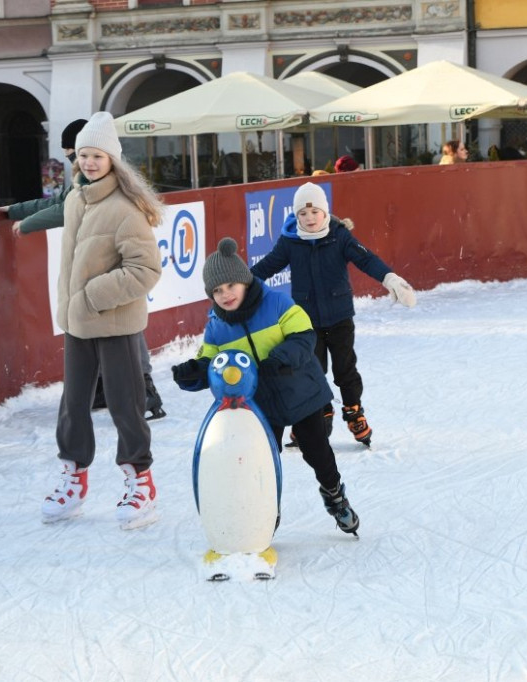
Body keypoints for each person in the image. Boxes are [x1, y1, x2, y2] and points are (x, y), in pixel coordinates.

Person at [171, 238, 360, 536]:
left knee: (317, 452)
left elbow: (303, 334)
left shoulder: (276, 303)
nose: (225, 295)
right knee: (260, 461)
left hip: (302, 394)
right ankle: (265, 509)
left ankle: (334, 494)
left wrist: (281, 358)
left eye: (230, 285)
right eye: (217, 291)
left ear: (245, 281)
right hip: (259, 406)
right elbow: (212, 363)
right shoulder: (217, 326)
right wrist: (193, 373)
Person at [0, 118, 166, 420]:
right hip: (89, 276)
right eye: (79, 156)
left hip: (107, 273)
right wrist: (16, 210)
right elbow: (64, 202)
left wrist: (27, 221)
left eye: (84, 154)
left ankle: (145, 390)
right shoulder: (80, 182)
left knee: (125, 327)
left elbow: (60, 209)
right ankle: (108, 390)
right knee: (101, 333)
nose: (83, 162)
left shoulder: (112, 190)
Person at [40, 111, 163, 530]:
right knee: (73, 405)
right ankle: (74, 477)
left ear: (113, 159)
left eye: (98, 156)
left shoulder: (125, 208)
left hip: (115, 323)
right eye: (84, 155)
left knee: (126, 406)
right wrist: (73, 306)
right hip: (77, 323)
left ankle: (140, 481)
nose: (90, 162)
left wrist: (93, 295)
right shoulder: (76, 198)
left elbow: (145, 270)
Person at [251, 182, 417, 448]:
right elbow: (267, 267)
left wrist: (390, 279)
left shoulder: (339, 236)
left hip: (339, 317)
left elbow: (366, 259)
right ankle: (320, 413)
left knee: (344, 369)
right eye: (303, 214)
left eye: (314, 212)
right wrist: (239, 285)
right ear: (296, 216)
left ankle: (353, 411)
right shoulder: (290, 241)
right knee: (311, 371)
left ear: (325, 212)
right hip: (306, 322)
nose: (310, 219)